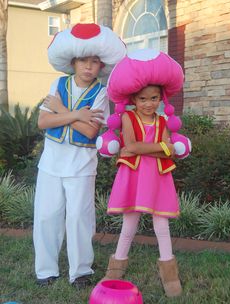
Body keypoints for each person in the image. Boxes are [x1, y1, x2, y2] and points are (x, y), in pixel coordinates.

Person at [33, 23, 126, 288]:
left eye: (95, 61)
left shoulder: (101, 92)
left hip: (82, 165)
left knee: (79, 218)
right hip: (51, 162)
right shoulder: (58, 82)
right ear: (73, 62)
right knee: (46, 215)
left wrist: (60, 112)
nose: (88, 66)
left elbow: (89, 131)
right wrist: (75, 113)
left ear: (101, 66)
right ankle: (45, 270)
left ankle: (80, 271)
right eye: (83, 60)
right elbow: (42, 121)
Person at [100, 50, 184, 298]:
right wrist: (162, 147)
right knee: (129, 224)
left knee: (162, 226)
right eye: (143, 99)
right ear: (134, 100)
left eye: (154, 98)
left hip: (157, 179)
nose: (149, 103)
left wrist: (149, 149)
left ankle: (169, 273)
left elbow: (161, 152)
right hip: (135, 178)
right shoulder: (128, 117)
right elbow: (130, 146)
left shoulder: (162, 122)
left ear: (161, 98)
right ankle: (115, 268)